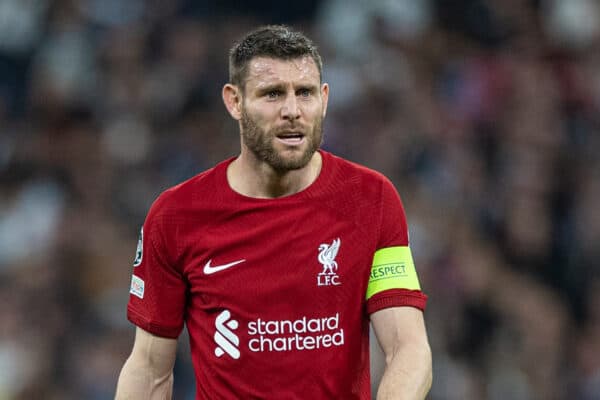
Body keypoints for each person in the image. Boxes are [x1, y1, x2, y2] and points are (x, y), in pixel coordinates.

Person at [115, 24, 432, 400]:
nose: (292, 111)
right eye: (272, 94)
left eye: (305, 93)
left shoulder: (372, 199)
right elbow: (150, 370)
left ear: (325, 99)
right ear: (234, 101)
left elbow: (407, 348)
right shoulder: (176, 216)